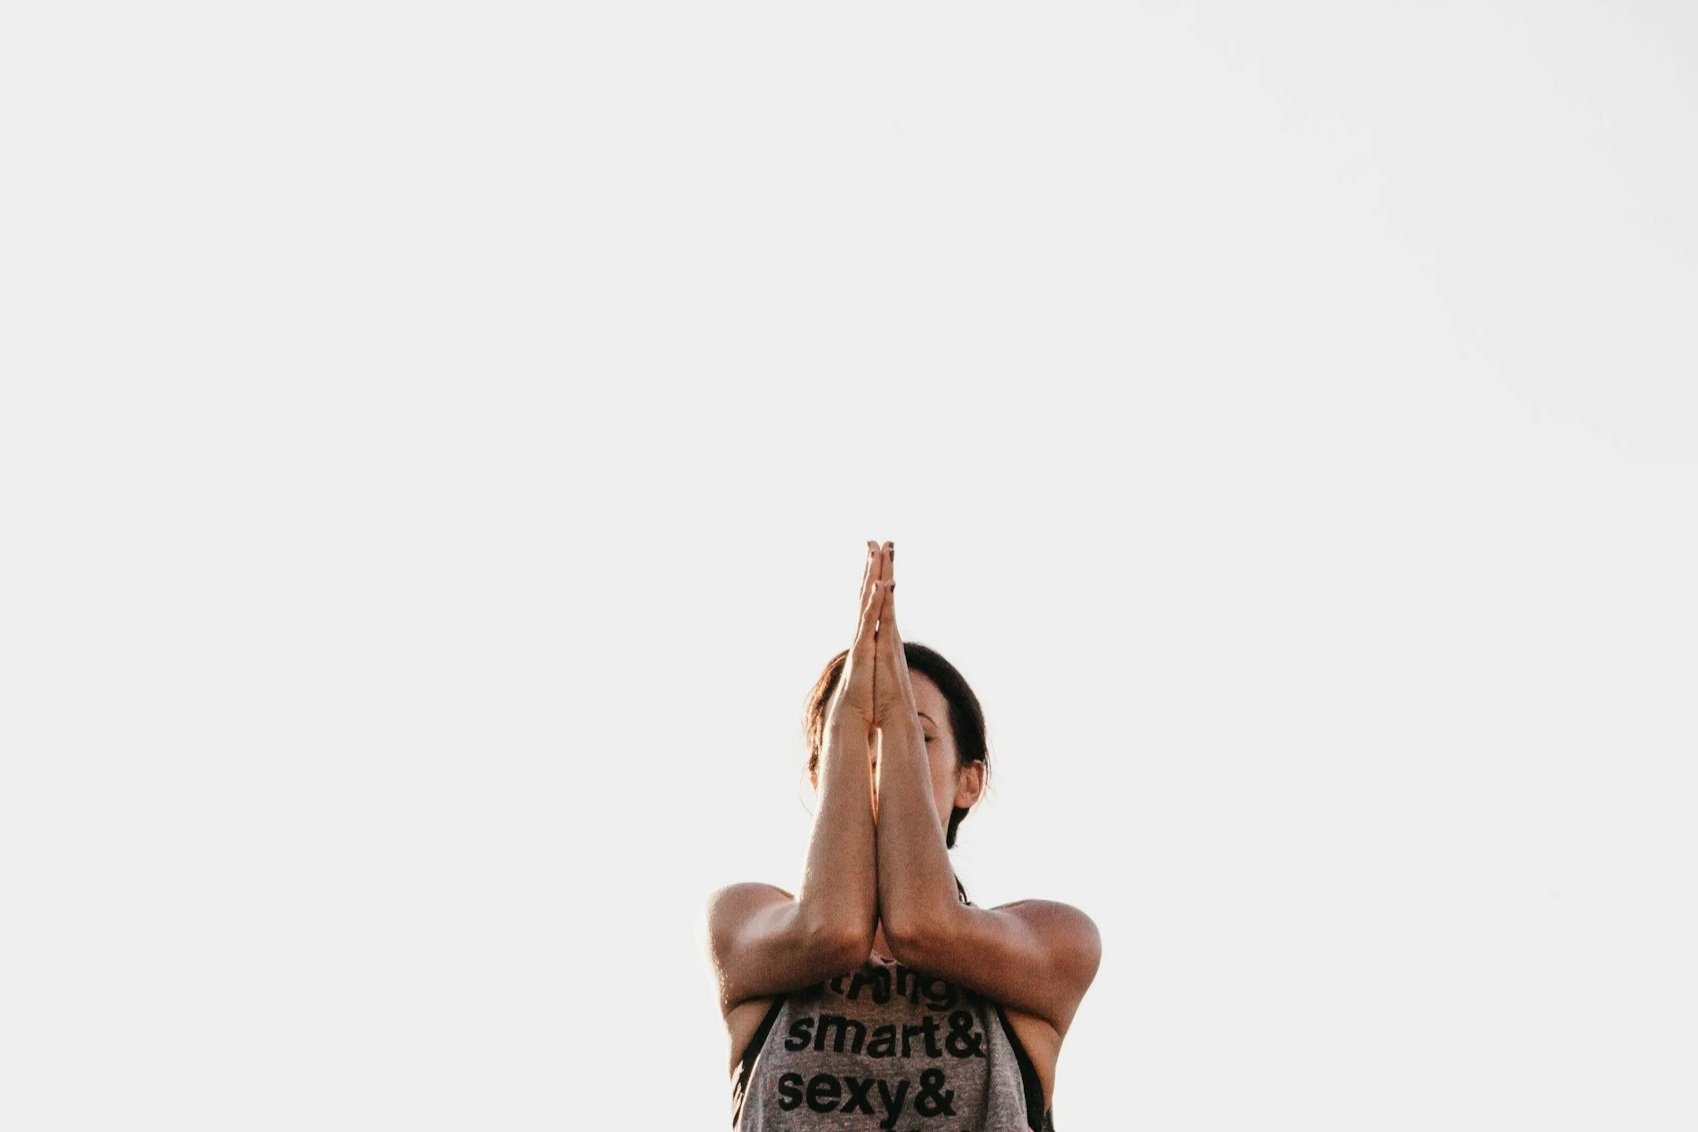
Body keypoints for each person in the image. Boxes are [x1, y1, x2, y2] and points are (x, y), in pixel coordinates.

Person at [704, 541, 1101, 1130]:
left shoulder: (1052, 939)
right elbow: (830, 929)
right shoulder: (742, 919)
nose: (882, 759)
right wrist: (851, 713)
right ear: (821, 774)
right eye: (859, 739)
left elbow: (924, 924)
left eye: (916, 738)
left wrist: (885, 706)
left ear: (970, 780)